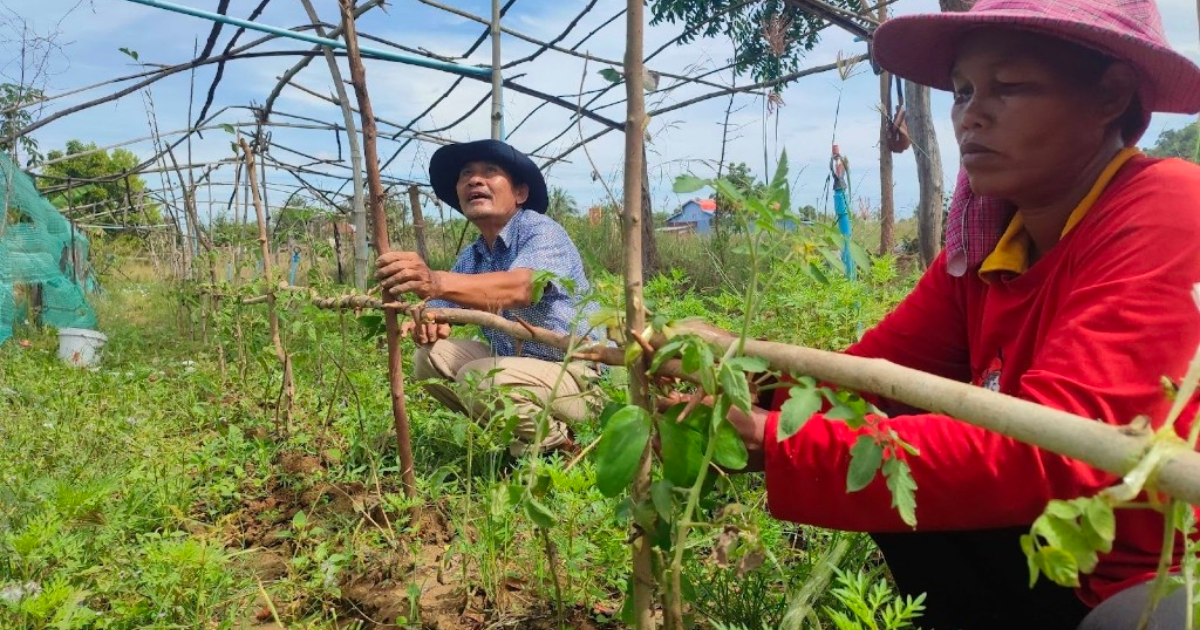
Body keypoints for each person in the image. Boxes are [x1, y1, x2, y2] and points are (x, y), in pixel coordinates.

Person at [714, 1, 1200, 628]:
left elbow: (1066, 445)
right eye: (964, 90)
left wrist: (774, 441)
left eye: (1010, 86)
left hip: (1149, 564)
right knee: (901, 420)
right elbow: (872, 376)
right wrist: (729, 369)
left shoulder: (1167, 206)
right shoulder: (988, 242)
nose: (972, 114)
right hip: (1044, 548)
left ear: (1111, 93)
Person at [375, 139, 602, 457]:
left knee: (478, 377)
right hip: (523, 370)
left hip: (580, 374)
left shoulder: (542, 232)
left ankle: (559, 447)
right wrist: (429, 321)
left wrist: (435, 281)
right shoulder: (474, 255)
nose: (474, 180)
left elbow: (522, 288)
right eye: (466, 174)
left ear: (520, 193)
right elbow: (439, 307)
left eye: (490, 172)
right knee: (428, 358)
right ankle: (530, 433)